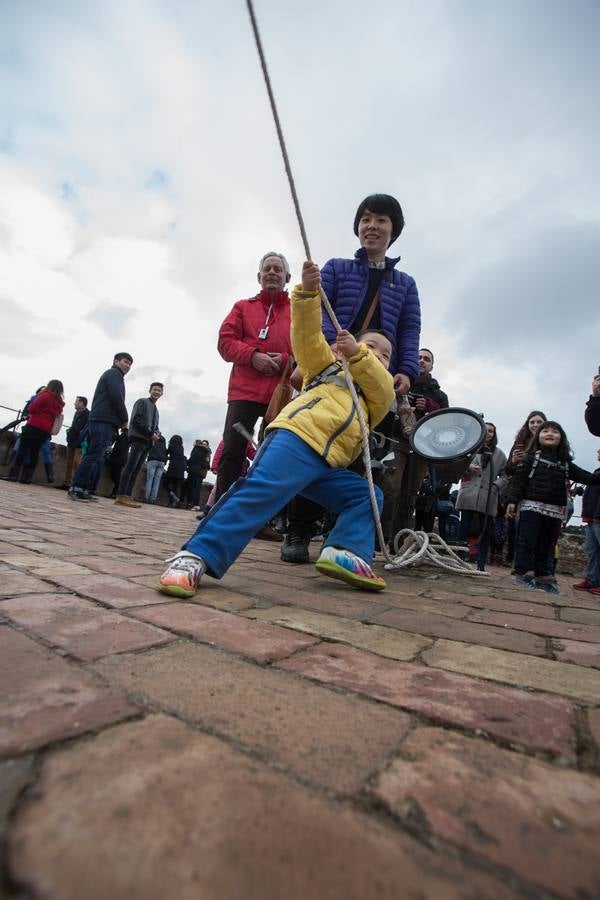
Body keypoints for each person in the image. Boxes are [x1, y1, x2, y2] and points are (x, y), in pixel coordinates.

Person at [158, 260, 395, 597]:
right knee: (259, 492)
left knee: (368, 496)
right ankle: (194, 557)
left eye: (385, 355)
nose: (377, 355)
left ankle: (344, 551)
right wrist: (308, 294)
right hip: (297, 439)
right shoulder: (325, 366)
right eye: (371, 346)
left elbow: (384, 386)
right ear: (342, 347)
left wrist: (361, 356)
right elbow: (306, 338)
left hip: (329, 464)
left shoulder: (376, 397)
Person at [283, 193, 421, 563]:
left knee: (360, 456)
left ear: (394, 230)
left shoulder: (405, 284)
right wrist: (331, 350)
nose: (372, 226)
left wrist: (405, 370)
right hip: (330, 370)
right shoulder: (337, 267)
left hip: (373, 379)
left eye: (381, 221)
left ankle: (340, 536)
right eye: (366, 219)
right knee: (311, 443)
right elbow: (318, 313)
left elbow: (409, 332)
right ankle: (298, 530)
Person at [214, 252, 292, 503]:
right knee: (232, 453)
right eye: (267, 269)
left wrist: (285, 361)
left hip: (280, 395)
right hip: (243, 392)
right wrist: (253, 355)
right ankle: (221, 513)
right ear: (259, 277)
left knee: (273, 458)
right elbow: (225, 343)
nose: (272, 273)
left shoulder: (299, 313)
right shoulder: (242, 307)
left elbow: (309, 350)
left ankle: (261, 518)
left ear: (287, 277)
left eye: (277, 269)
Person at [507, 422, 600, 593]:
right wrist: (512, 501)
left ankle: (543, 574)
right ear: (538, 437)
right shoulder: (530, 458)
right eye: (546, 431)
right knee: (526, 542)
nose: (550, 434)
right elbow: (518, 481)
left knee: (547, 544)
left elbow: (589, 478)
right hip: (531, 508)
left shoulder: (566, 464)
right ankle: (524, 572)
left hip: (554, 511)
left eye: (555, 431)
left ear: (561, 438)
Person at [382, 347, 449, 549]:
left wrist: (428, 407)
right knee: (390, 488)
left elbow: (444, 424)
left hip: (422, 449)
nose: (421, 361)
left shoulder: (439, 395)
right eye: (418, 357)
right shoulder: (398, 381)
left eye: (426, 359)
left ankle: (399, 541)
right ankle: (380, 537)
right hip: (397, 442)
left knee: (410, 495)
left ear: (432, 365)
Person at [69, 353, 133, 501]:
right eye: (125, 362)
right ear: (116, 361)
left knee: (95, 454)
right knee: (94, 454)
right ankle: (77, 487)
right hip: (103, 420)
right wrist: (124, 418)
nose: (127, 366)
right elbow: (116, 396)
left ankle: (82, 488)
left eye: (130, 364)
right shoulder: (113, 374)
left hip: (103, 420)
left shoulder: (115, 375)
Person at [456, 422, 507, 570]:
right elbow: (457, 465)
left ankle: (481, 563)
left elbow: (505, 475)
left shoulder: (500, 454)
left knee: (485, 532)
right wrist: (467, 467)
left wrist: (496, 485)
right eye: (485, 430)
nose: (488, 433)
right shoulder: (469, 448)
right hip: (469, 494)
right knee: (463, 529)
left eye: (491, 431)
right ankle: (459, 560)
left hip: (488, 497)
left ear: (494, 434)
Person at [502, 410, 547, 564]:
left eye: (539, 422)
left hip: (540, 490)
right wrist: (514, 461)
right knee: (515, 527)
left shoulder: (549, 442)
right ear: (527, 425)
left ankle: (531, 562)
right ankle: (517, 560)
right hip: (519, 490)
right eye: (532, 422)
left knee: (535, 529)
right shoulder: (520, 443)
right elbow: (508, 470)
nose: (535, 425)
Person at [3, 381, 64, 484]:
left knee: (22, 449)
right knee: (34, 453)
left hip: (33, 425)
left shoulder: (45, 395)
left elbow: (32, 408)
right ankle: (27, 478)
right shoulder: (59, 403)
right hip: (45, 430)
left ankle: (13, 475)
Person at [114, 382, 163, 509]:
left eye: (159, 390)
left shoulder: (156, 410)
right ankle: (121, 495)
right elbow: (135, 421)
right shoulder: (142, 402)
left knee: (136, 470)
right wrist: (150, 433)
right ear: (150, 390)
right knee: (130, 466)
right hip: (138, 438)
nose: (157, 392)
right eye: (155, 389)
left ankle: (128, 495)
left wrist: (156, 434)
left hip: (147, 442)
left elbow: (155, 427)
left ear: (162, 393)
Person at [573, 448, 600, 595]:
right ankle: (593, 580)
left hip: (598, 517)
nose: (598, 452)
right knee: (592, 551)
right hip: (592, 517)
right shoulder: (597, 471)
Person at [56, 396, 89, 490]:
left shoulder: (88, 414)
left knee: (77, 463)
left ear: (82, 403)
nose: (74, 403)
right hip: (72, 441)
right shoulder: (76, 413)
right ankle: (67, 483)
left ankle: (76, 483)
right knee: (69, 463)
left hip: (81, 443)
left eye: (76, 401)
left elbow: (85, 430)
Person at [187, 440, 212, 511]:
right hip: (199, 471)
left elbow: (207, 464)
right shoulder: (205, 451)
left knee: (197, 489)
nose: (203, 445)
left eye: (205, 444)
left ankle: (196, 505)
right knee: (195, 488)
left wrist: (201, 464)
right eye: (203, 443)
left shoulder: (207, 452)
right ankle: (195, 504)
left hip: (201, 472)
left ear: (207, 445)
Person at [163, 435, 187, 508]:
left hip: (173, 467)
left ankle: (171, 496)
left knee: (165, 483)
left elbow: (166, 454)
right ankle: (172, 503)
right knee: (176, 486)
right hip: (181, 469)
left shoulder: (171, 446)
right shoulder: (181, 448)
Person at [145, 433, 167, 504]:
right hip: (162, 462)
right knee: (157, 481)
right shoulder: (164, 441)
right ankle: (152, 500)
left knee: (150, 479)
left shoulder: (153, 439)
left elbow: (147, 447)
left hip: (153, 459)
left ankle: (146, 498)